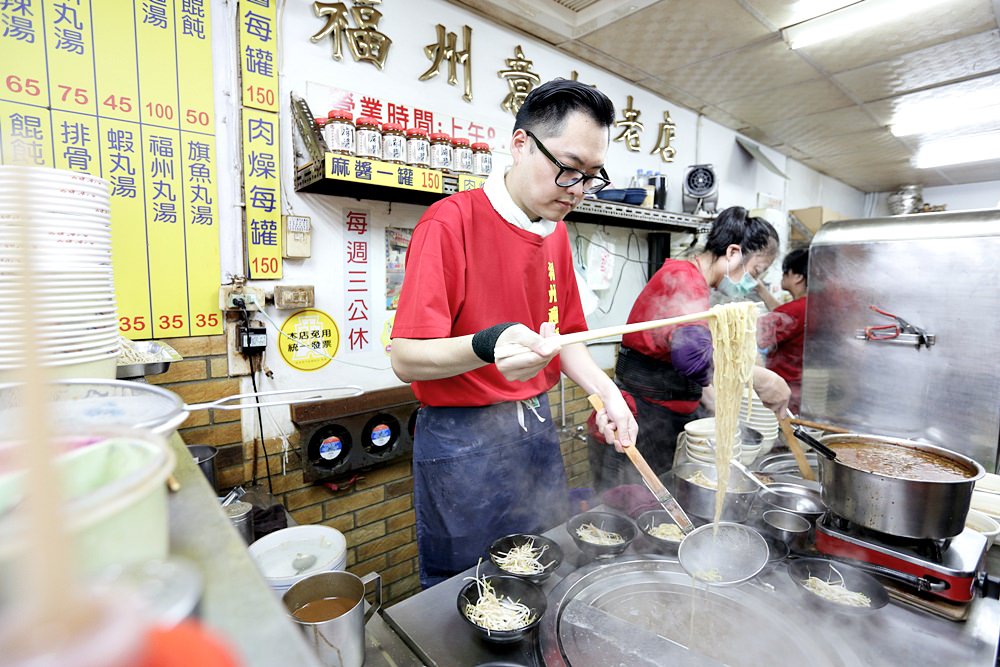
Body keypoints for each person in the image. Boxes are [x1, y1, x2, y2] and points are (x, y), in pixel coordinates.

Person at [390, 79, 639, 589]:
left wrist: (607, 392)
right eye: (567, 169)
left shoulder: (557, 234)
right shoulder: (450, 222)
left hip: (535, 428)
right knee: (465, 583)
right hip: (463, 438)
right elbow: (406, 357)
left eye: (591, 177)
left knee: (542, 563)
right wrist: (488, 345)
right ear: (520, 143)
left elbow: (567, 336)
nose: (576, 190)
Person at [588, 206, 791, 493]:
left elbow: (691, 364)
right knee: (628, 512)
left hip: (656, 421)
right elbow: (691, 359)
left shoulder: (692, 280)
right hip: (637, 424)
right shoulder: (686, 279)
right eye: (755, 271)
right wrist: (762, 377)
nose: (752, 282)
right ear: (733, 252)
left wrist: (718, 408)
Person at [756, 248, 809, 413]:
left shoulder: (795, 310)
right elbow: (784, 316)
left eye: (786, 272)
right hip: (803, 389)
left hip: (783, 392)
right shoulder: (811, 304)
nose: (782, 276)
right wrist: (760, 289)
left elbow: (755, 335)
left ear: (798, 277)